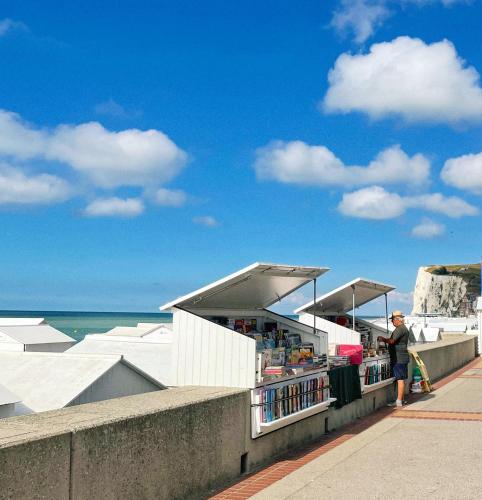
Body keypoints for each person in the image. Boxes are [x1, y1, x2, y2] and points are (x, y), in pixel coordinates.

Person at [377, 310, 410, 407]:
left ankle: (399, 401)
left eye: (393, 320)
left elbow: (392, 341)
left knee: (400, 379)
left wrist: (383, 339)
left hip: (399, 358)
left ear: (397, 320)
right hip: (402, 356)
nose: (392, 322)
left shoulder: (400, 329)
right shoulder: (404, 328)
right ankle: (401, 400)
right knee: (402, 379)